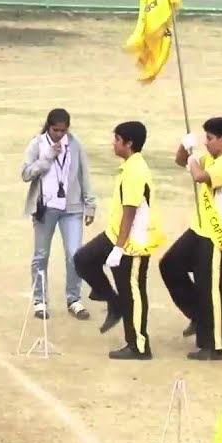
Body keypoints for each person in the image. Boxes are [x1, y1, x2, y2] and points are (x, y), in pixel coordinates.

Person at [74, 121, 163, 359]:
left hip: (132, 242)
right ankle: (112, 302)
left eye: (116, 139)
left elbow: (130, 211)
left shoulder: (135, 171)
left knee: (132, 292)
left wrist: (118, 247)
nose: (113, 144)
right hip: (116, 234)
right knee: (83, 259)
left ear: (128, 143)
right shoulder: (129, 166)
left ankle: (138, 346)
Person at [160, 117, 222, 360]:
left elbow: (199, 177)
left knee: (211, 290)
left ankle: (217, 346)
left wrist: (193, 158)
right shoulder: (212, 159)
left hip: (218, 235)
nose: (206, 142)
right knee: (170, 265)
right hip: (199, 230)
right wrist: (183, 147)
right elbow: (181, 161)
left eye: (209, 138)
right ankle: (198, 315)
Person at [20, 108, 98, 320]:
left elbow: (85, 174)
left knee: (75, 255)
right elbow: (26, 174)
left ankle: (73, 299)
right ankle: (40, 301)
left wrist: (90, 205)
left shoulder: (75, 144)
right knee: (41, 255)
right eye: (55, 130)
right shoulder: (37, 144)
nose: (59, 135)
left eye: (63, 131)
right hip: (45, 208)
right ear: (49, 126)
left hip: (72, 209)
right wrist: (46, 159)